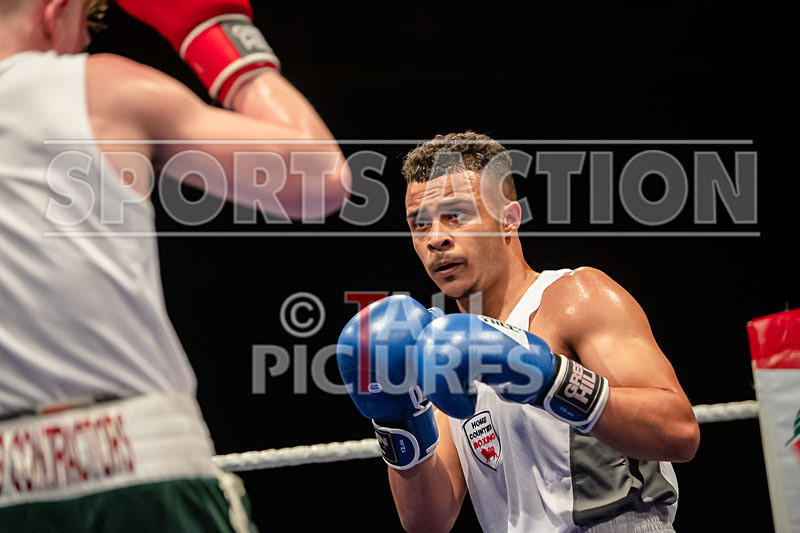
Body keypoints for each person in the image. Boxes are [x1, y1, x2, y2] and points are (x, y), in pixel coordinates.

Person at [0, 0, 348, 530]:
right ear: (56, 12)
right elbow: (319, 179)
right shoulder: (96, 87)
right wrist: (217, 34)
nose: (79, 49)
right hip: (140, 471)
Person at [337, 131, 699, 532]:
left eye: (455, 215)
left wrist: (547, 378)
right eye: (418, 224)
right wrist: (398, 421)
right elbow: (428, 521)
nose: (435, 239)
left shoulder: (575, 298)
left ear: (509, 218)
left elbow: (679, 433)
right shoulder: (440, 348)